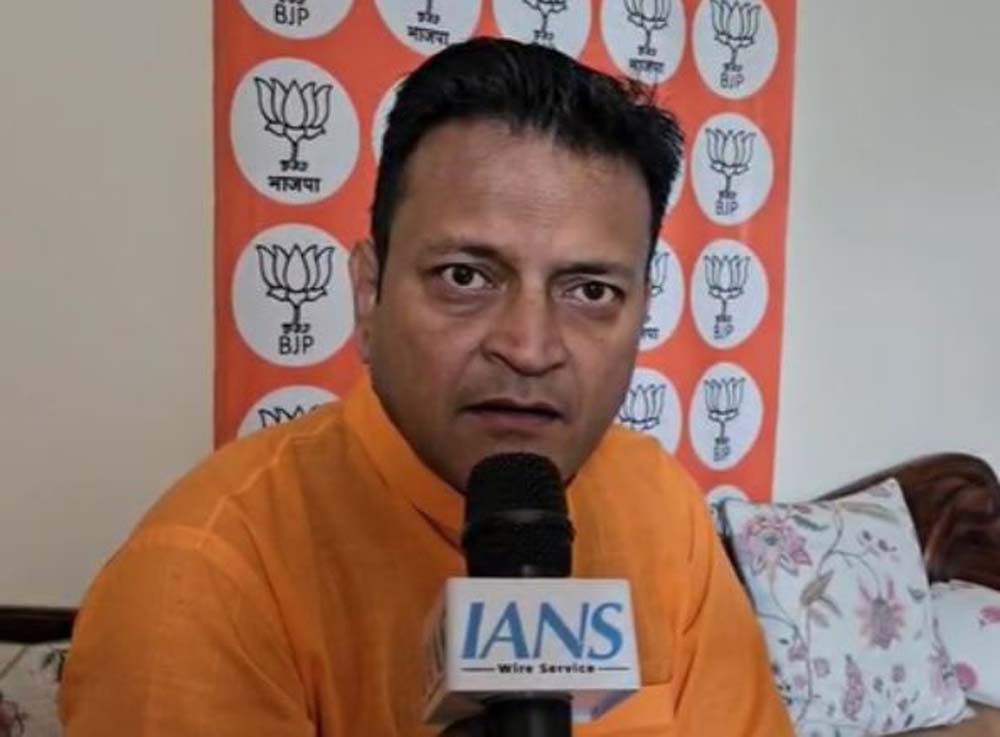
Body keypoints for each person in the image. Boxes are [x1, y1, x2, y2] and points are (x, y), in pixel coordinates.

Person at [60, 38, 792, 737]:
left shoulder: (661, 506)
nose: (529, 348)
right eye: (465, 277)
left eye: (591, 291)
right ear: (368, 294)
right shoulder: (202, 577)